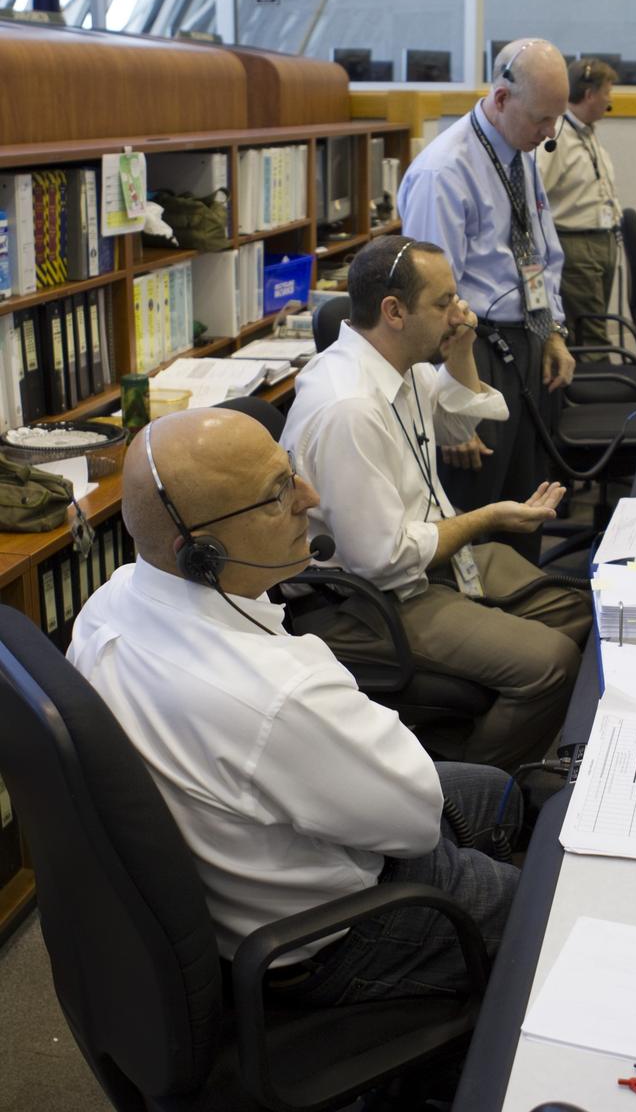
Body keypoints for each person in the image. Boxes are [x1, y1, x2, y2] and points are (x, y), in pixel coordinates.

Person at [67, 406, 523, 1006]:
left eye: (292, 472)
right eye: (278, 493)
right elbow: (414, 826)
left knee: (501, 793)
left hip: (238, 889)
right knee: (542, 908)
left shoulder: (109, 602)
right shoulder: (277, 693)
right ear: (198, 551)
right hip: (332, 938)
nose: (310, 497)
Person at [282, 235, 592, 772]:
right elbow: (384, 558)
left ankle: (479, 720)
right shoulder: (348, 407)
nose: (459, 313)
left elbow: (458, 420)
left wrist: (462, 347)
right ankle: (465, 792)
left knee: (583, 609)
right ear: (394, 311)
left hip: (424, 561)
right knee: (554, 662)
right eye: (444, 302)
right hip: (364, 598)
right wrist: (488, 518)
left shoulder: (399, 363)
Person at [397, 37, 574, 563]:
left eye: (556, 120)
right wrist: (449, 403)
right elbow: (430, 306)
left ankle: (527, 608)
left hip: (526, 343)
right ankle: (482, 624)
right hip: (472, 354)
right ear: (500, 99)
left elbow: (537, 252)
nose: (550, 135)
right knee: (479, 512)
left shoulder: (518, 154)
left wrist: (553, 331)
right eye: (542, 119)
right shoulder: (444, 172)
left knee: (527, 502)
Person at [538, 57, 622, 354]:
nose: (610, 101)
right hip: (576, 245)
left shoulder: (586, 132)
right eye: (607, 93)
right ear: (589, 95)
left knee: (594, 322)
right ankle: (599, 394)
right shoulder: (557, 138)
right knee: (591, 333)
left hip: (601, 241)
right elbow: (537, 197)